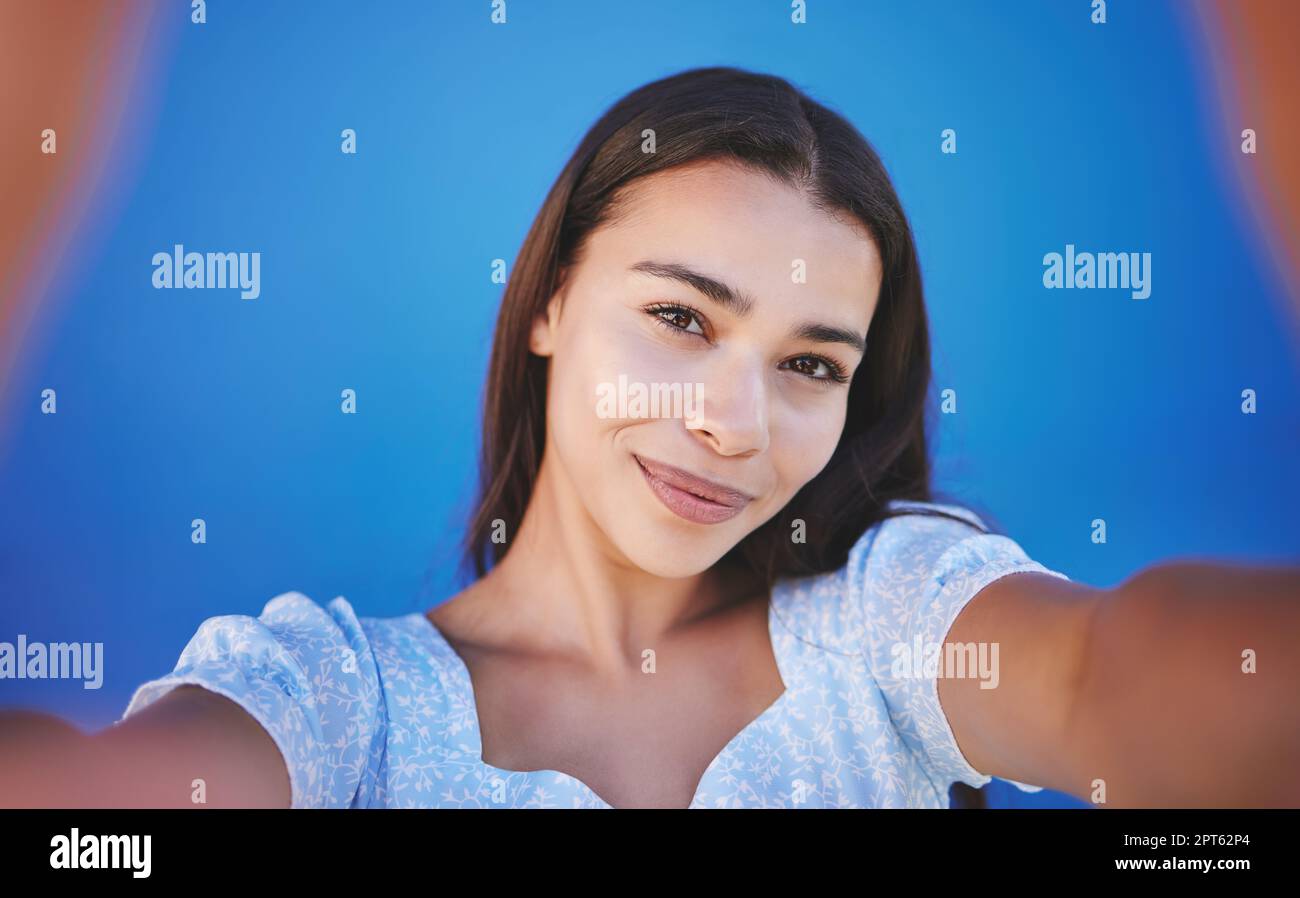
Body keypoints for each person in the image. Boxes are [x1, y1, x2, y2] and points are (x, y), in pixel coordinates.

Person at [3, 66, 1297, 809]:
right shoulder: (344, 705)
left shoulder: (881, 623)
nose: (732, 422)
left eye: (807, 363)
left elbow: (1104, 677)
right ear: (553, 299)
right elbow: (103, 819)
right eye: (681, 316)